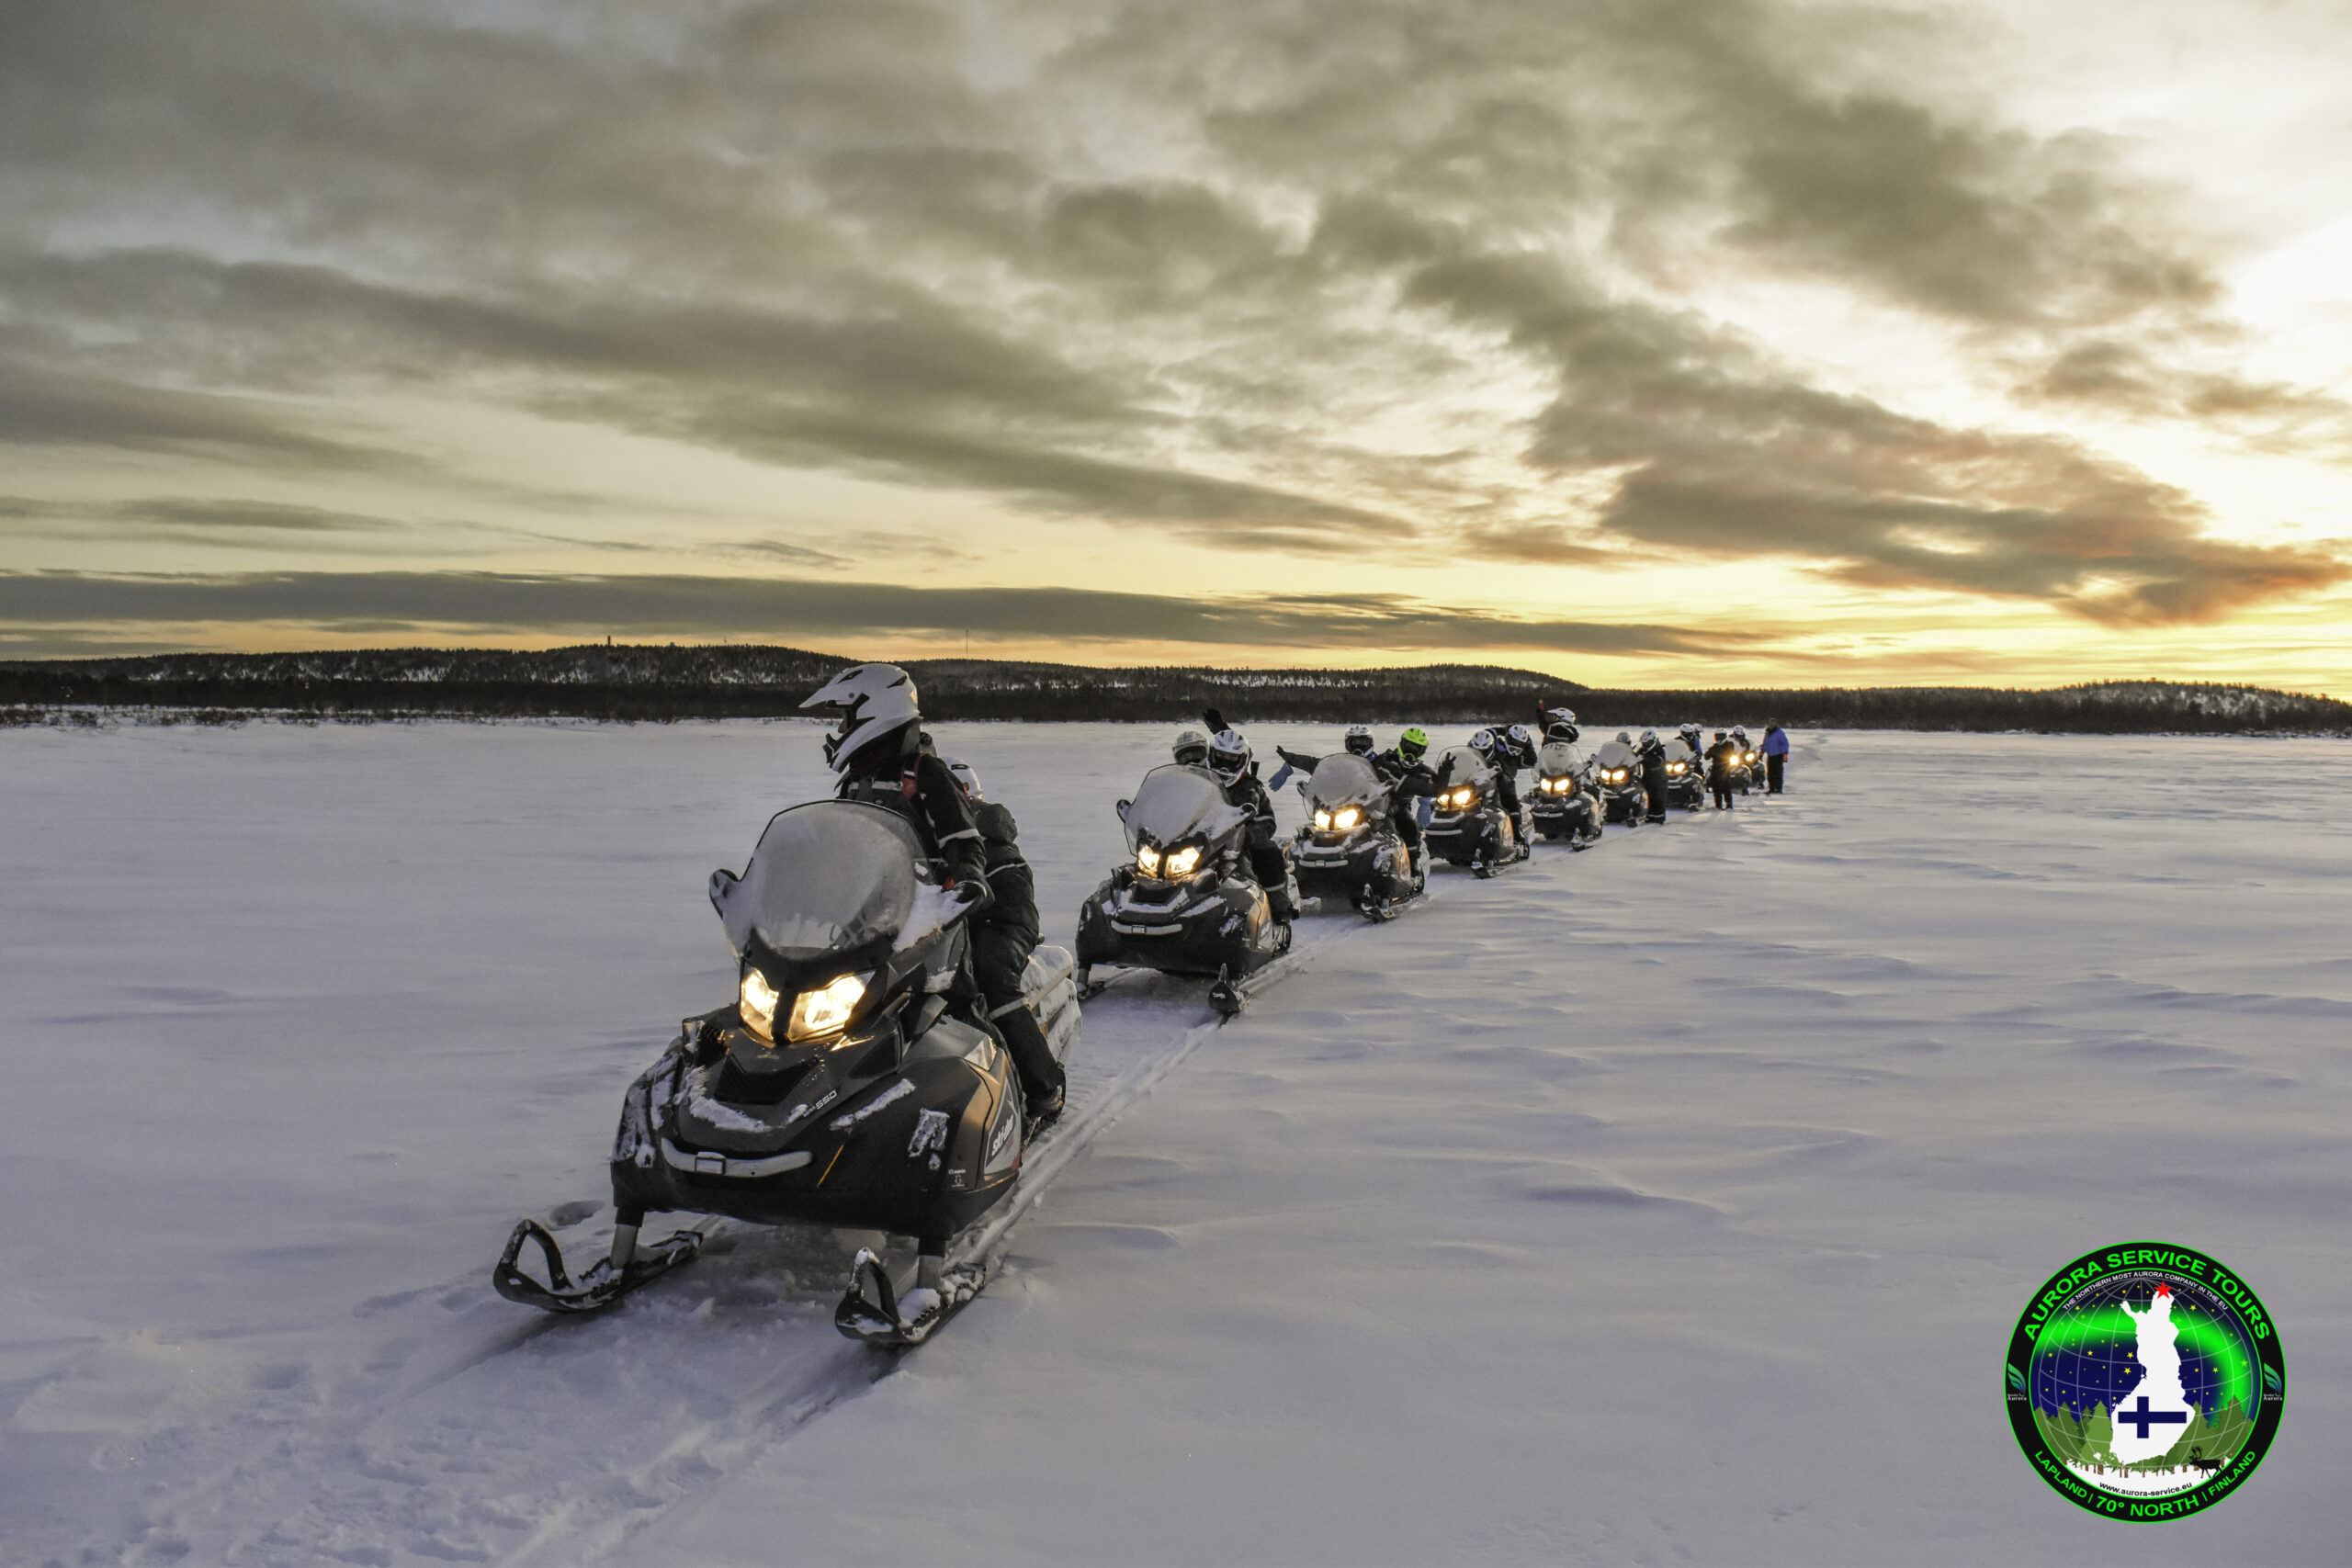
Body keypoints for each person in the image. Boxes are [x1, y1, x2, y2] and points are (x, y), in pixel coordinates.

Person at [935, 759, 1067, 1124]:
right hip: (949, 927)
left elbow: (1007, 893)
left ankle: (1044, 1087)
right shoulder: (924, 838)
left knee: (992, 980)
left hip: (1003, 923)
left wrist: (977, 900)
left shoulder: (990, 843)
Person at [802, 664, 989, 899]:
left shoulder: (926, 772)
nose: (841, 728)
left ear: (875, 710)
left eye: (847, 719)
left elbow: (961, 839)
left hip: (922, 918)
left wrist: (970, 877)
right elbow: (839, 843)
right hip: (861, 912)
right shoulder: (855, 780)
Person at [1205, 728, 1298, 922]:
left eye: (1231, 759)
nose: (1225, 764)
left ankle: (1278, 909)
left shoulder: (1250, 788)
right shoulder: (1199, 781)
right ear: (1211, 755)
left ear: (1242, 761)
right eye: (1220, 757)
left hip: (1236, 846)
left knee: (1267, 855)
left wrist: (1250, 835)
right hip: (1200, 842)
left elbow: (1267, 821)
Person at [1637, 728, 1669, 824]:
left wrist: (1645, 759)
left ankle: (1659, 816)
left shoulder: (1659, 750)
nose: (1645, 745)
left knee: (1658, 796)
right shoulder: (1643, 750)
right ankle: (1645, 813)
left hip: (1659, 776)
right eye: (1644, 743)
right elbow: (1635, 756)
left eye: (1648, 743)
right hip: (1647, 775)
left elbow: (1659, 761)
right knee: (1646, 794)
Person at [1704, 729, 1737, 810]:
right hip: (1716, 769)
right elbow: (1706, 756)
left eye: (1721, 736)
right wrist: (1711, 751)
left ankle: (1729, 804)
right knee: (1716, 788)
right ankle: (1718, 804)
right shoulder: (1714, 747)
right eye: (1717, 736)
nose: (1719, 738)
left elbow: (1730, 753)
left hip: (1726, 768)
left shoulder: (1729, 745)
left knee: (1726, 787)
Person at [1762, 721, 1789, 794]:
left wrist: (1785, 754)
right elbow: (1765, 743)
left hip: (1778, 755)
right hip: (1770, 756)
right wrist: (1762, 751)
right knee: (1770, 773)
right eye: (1770, 724)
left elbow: (1785, 743)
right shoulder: (1767, 733)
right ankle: (1771, 788)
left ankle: (1778, 788)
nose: (1771, 725)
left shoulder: (1779, 732)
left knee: (1778, 773)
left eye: (1772, 723)